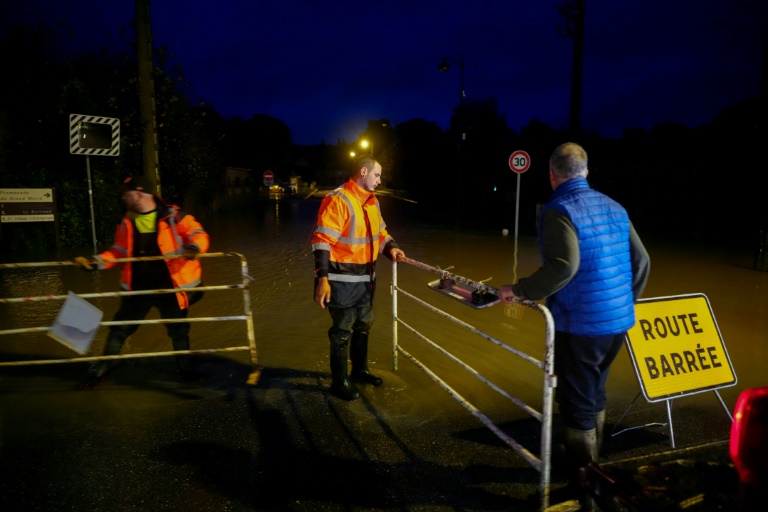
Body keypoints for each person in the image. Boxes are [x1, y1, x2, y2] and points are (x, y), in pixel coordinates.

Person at [498, 142, 650, 510]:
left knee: (576, 403)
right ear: (585, 171)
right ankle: (594, 467)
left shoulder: (559, 209)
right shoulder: (615, 206)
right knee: (594, 394)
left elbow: (563, 267)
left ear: (552, 174)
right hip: (617, 325)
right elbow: (642, 261)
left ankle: (584, 488)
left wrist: (517, 291)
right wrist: (622, 304)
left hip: (580, 326)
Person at [74, 175, 210, 387]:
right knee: (119, 329)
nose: (123, 197)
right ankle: (102, 370)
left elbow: (199, 234)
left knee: (179, 330)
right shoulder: (126, 220)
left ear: (138, 194)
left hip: (171, 287)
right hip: (137, 288)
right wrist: (95, 263)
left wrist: (194, 248)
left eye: (126, 193)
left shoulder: (174, 215)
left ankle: (186, 370)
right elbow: (118, 252)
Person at [311, 155, 405, 401]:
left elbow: (380, 232)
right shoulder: (339, 199)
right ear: (363, 172)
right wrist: (322, 280)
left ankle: (360, 371)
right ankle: (339, 383)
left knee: (363, 327)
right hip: (340, 280)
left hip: (366, 280)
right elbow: (322, 242)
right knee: (342, 332)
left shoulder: (372, 202)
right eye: (377, 174)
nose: (380, 179)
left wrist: (391, 247)